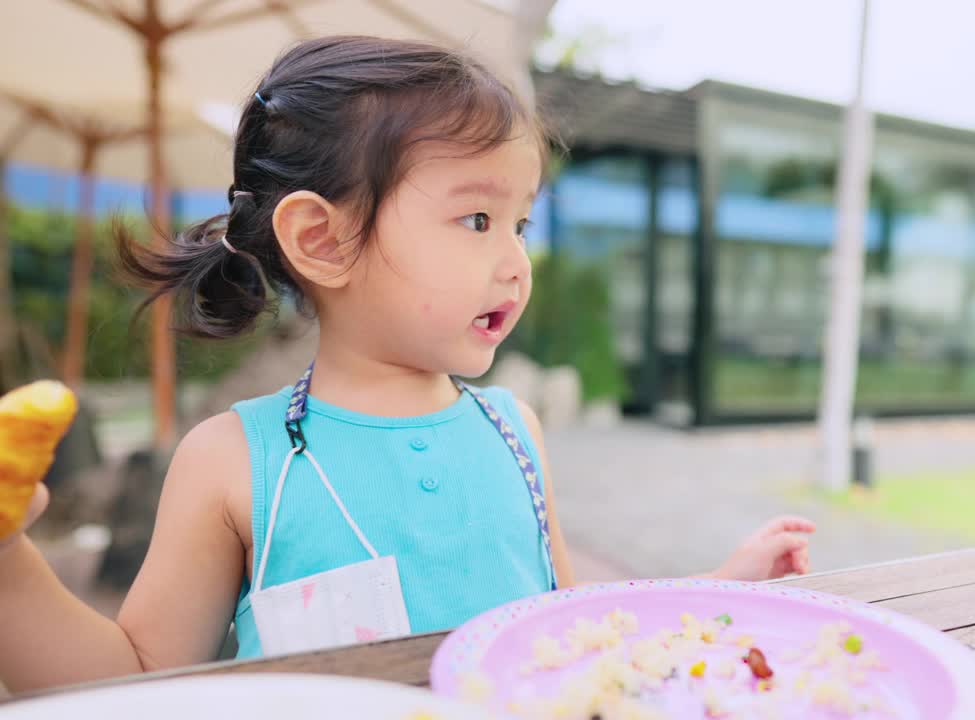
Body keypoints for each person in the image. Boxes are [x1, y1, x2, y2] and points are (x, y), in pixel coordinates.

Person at [0, 36, 815, 692]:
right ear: (322, 240)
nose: (515, 261)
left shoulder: (512, 429)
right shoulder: (231, 461)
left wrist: (716, 590)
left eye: (520, 224)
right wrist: (8, 564)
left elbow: (571, 629)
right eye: (476, 219)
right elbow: (136, 683)